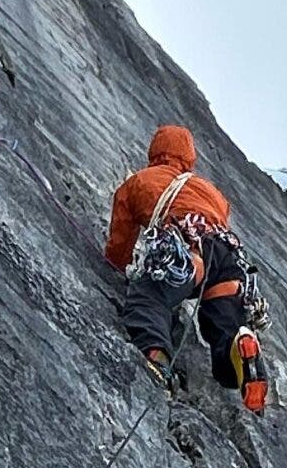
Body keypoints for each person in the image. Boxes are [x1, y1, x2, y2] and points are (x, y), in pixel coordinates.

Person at [104, 123, 271, 411]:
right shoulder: (211, 191)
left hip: (186, 251)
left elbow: (122, 239)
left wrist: (115, 265)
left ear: (154, 151)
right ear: (189, 157)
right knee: (222, 323)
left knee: (149, 300)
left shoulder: (140, 181)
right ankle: (239, 346)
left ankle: (156, 360)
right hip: (226, 258)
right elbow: (218, 222)